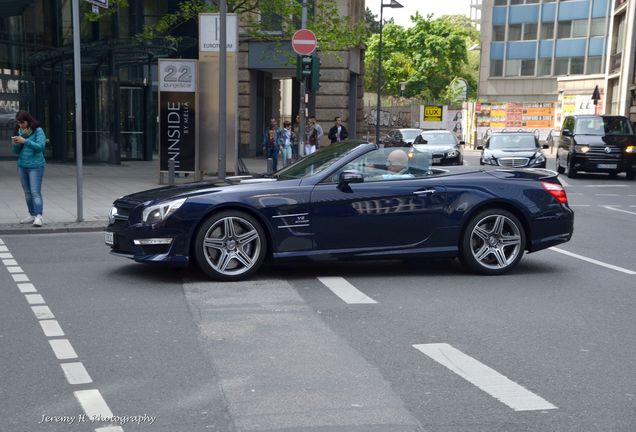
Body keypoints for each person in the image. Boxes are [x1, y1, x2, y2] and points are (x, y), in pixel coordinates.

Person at [11, 110, 46, 227]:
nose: (20, 125)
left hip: (35, 166)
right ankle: (32, 214)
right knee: (27, 193)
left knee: (35, 192)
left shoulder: (38, 131)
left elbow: (40, 147)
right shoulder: (19, 131)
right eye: (18, 123)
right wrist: (16, 144)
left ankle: (39, 216)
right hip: (22, 166)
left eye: (22, 123)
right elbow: (16, 152)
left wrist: (25, 141)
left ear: (28, 120)